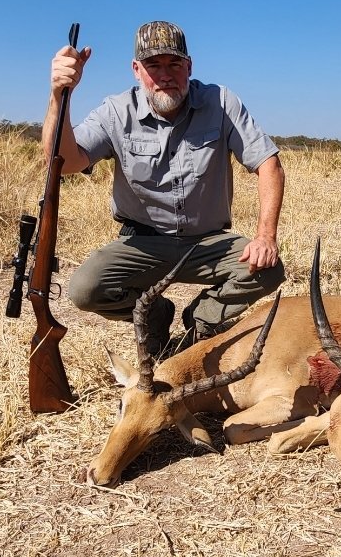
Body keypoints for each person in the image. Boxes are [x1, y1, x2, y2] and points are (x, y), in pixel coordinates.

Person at [44, 20, 286, 356]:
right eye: (153, 65)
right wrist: (59, 96)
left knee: (268, 270)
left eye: (174, 64)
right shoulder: (115, 111)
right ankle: (155, 317)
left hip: (207, 242)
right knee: (85, 289)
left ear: (189, 66)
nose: (165, 75)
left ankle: (199, 325)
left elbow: (268, 163)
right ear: (136, 70)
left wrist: (265, 237)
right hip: (142, 243)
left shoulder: (221, 102)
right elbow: (63, 162)